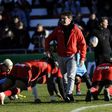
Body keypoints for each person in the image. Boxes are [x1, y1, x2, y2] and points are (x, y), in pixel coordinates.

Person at [45, 11, 87, 102]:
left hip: (72, 56)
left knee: (71, 76)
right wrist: (47, 50)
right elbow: (48, 39)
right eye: (61, 18)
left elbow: (83, 44)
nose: (62, 20)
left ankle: (68, 94)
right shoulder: (58, 29)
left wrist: (82, 58)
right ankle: (68, 95)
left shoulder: (76, 29)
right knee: (64, 77)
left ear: (70, 19)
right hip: (60, 57)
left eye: (64, 18)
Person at [0, 57, 66, 105]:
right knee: (21, 88)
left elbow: (35, 81)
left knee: (5, 85)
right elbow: (50, 82)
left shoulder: (39, 63)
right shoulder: (48, 66)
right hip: (26, 69)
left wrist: (36, 97)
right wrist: (53, 97)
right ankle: (3, 94)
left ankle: (3, 93)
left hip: (18, 65)